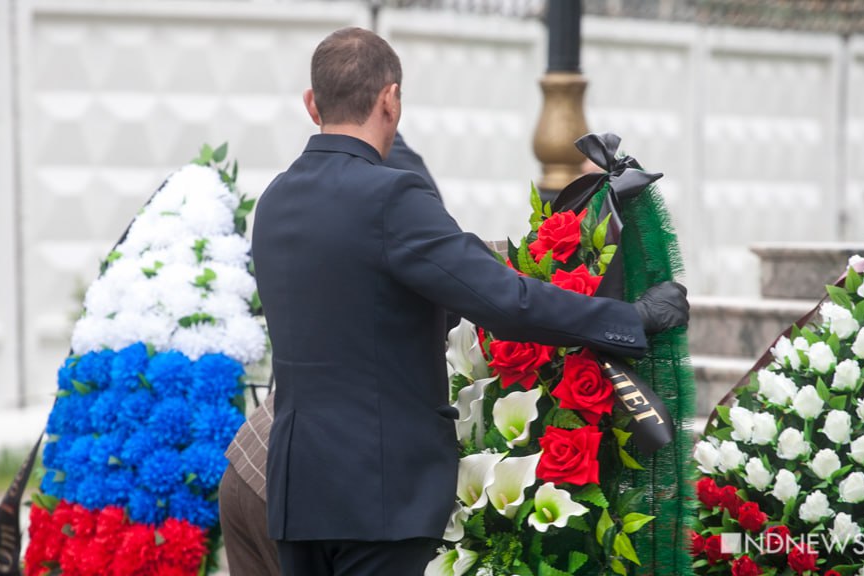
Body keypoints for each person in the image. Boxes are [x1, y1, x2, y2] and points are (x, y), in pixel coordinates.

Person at [251, 27, 689, 576]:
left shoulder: (273, 200)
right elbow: (503, 300)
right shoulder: (390, 195)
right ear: (391, 100)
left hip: (298, 492)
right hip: (382, 497)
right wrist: (631, 317)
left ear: (312, 104)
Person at [219, 132, 442, 576]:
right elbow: (491, 287)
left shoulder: (309, 205)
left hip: (257, 468)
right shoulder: (396, 202)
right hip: (317, 493)